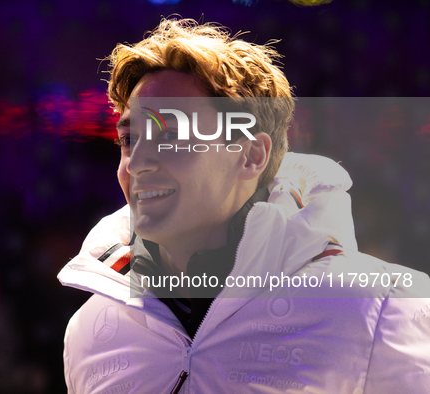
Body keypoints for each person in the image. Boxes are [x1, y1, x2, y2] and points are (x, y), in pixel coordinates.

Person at [58, 18, 430, 393]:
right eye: (129, 139)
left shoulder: (383, 307)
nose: (137, 163)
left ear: (251, 155)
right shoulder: (90, 330)